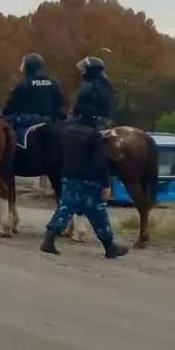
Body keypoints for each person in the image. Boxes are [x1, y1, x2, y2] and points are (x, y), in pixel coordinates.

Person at [40, 96, 130, 258]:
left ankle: (49, 240)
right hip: (89, 182)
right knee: (99, 214)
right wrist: (105, 184)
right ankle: (110, 247)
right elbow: (100, 162)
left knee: (64, 209)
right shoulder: (94, 136)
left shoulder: (68, 132)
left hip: (69, 178)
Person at [2, 52, 67, 131]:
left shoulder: (24, 84)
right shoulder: (53, 83)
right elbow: (60, 104)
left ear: (27, 67)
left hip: (27, 123)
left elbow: (10, 106)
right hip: (49, 121)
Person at [75, 56, 115, 130]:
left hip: (89, 120)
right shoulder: (106, 83)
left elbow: (79, 104)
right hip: (105, 120)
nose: (82, 72)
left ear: (90, 70)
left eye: (84, 69)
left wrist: (74, 114)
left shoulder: (89, 84)